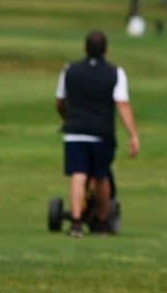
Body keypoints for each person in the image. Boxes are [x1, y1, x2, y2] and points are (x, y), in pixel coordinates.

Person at [55, 30, 140, 237]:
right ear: (105, 50)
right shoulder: (115, 73)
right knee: (101, 176)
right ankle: (101, 224)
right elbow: (122, 105)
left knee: (78, 174)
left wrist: (66, 118)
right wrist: (133, 134)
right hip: (102, 133)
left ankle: (76, 223)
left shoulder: (69, 70)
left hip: (75, 131)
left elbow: (60, 100)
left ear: (85, 48)